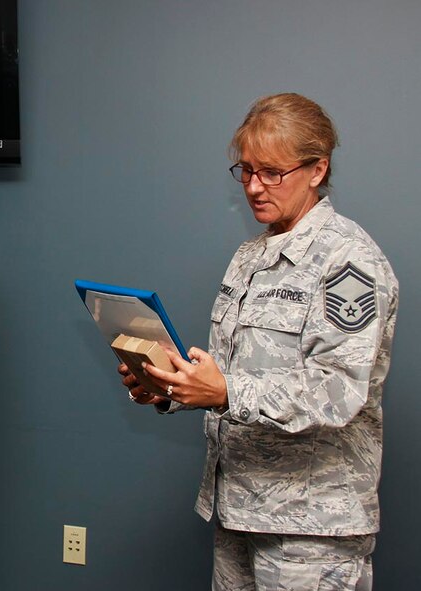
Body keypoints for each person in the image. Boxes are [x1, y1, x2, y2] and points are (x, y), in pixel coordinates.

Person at [119, 93, 398, 590]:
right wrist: (171, 385)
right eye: (245, 171)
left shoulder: (350, 263)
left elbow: (338, 391)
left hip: (311, 531)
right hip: (239, 509)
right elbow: (232, 374)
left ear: (317, 169)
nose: (253, 186)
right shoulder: (250, 255)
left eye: (271, 172)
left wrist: (225, 392)